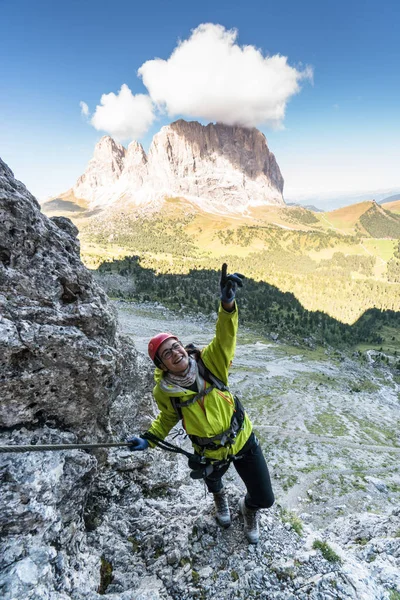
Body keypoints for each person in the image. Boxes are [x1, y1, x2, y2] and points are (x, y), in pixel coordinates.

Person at [127, 264, 274, 544]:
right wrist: (150, 439)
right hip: (208, 451)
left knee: (265, 498)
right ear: (162, 365)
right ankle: (219, 497)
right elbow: (168, 418)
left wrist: (227, 304)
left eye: (175, 346)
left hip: (242, 439)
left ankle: (249, 508)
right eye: (166, 353)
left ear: (183, 347)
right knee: (213, 480)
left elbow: (225, 337)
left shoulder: (210, 362)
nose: (175, 353)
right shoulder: (165, 391)